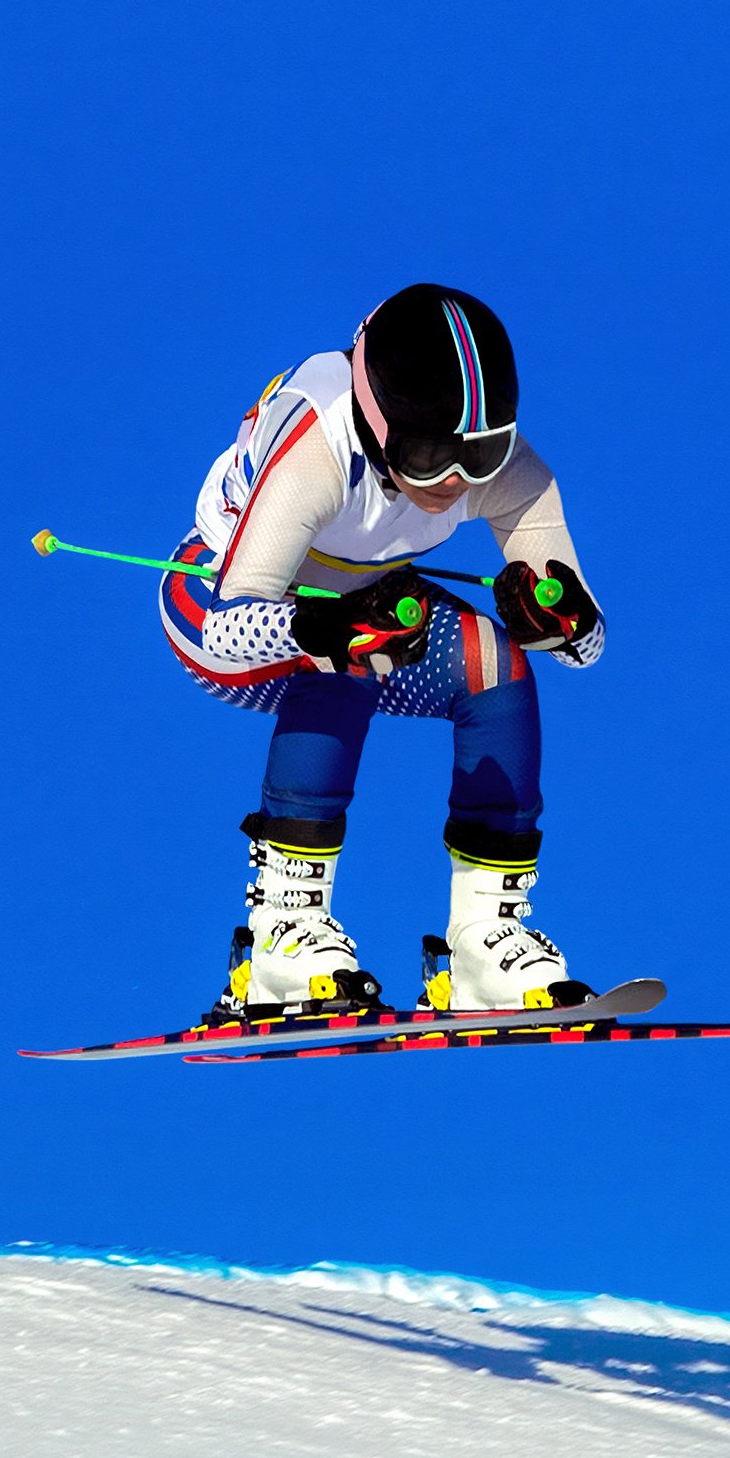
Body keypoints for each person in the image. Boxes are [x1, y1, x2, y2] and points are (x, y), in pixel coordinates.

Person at [159, 284, 606, 1017]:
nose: (456, 482)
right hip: (213, 595)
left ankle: (484, 942)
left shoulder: (504, 472)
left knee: (496, 667)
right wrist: (323, 631)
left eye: (482, 453)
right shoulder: (318, 446)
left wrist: (563, 625)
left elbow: (586, 648)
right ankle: (283, 935)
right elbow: (226, 633)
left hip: (368, 601)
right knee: (356, 654)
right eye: (428, 457)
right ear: (376, 426)